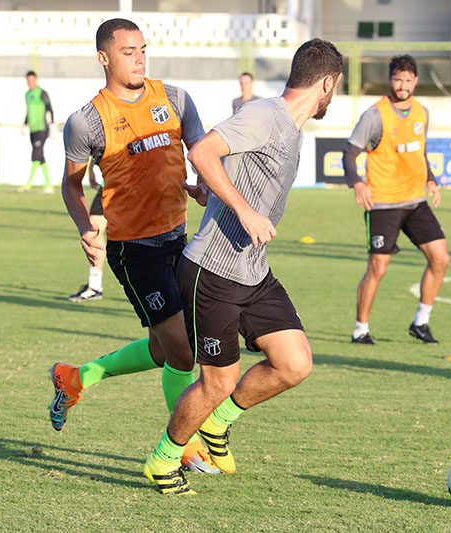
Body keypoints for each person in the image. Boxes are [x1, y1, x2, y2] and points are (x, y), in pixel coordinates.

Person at [143, 38, 343, 495]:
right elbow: (203, 151)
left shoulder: (290, 127)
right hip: (212, 271)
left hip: (253, 271)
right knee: (218, 381)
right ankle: (163, 459)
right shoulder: (265, 114)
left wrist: (211, 192)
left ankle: (217, 425)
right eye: (336, 89)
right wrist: (242, 209)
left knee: (294, 363)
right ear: (327, 84)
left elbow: (229, 165)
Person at [50, 18, 220, 474]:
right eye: (128, 51)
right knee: (183, 353)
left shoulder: (176, 99)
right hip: (134, 250)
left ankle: (75, 377)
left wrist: (203, 183)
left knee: (164, 352)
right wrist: (86, 227)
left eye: (143, 49)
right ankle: (184, 449)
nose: (140, 58)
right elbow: (71, 185)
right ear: (104, 58)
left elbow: (201, 152)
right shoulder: (86, 121)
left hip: (179, 238)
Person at [343, 54, 450, 345]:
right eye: (398, 79)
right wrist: (357, 183)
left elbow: (420, 151)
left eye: (407, 80)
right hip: (382, 203)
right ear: (390, 80)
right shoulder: (375, 115)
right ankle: (360, 329)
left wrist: (430, 179)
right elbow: (350, 152)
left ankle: (421, 322)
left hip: (415, 201)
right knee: (378, 268)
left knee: (441, 258)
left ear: (415, 81)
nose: (402, 85)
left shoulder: (422, 112)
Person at [68, 158, 107, 302]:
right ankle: (94, 286)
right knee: (94, 231)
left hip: (124, 186)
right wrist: (90, 171)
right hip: (110, 186)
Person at [19, 71, 55, 194]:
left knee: (35, 154)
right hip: (33, 129)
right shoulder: (27, 95)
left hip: (42, 128)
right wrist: (25, 123)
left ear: (36, 80)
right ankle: (48, 185)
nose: (30, 83)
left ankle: (28, 184)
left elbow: (50, 108)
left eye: (32, 80)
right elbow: (28, 111)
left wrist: (52, 124)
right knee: (40, 157)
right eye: (28, 80)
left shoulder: (41, 93)